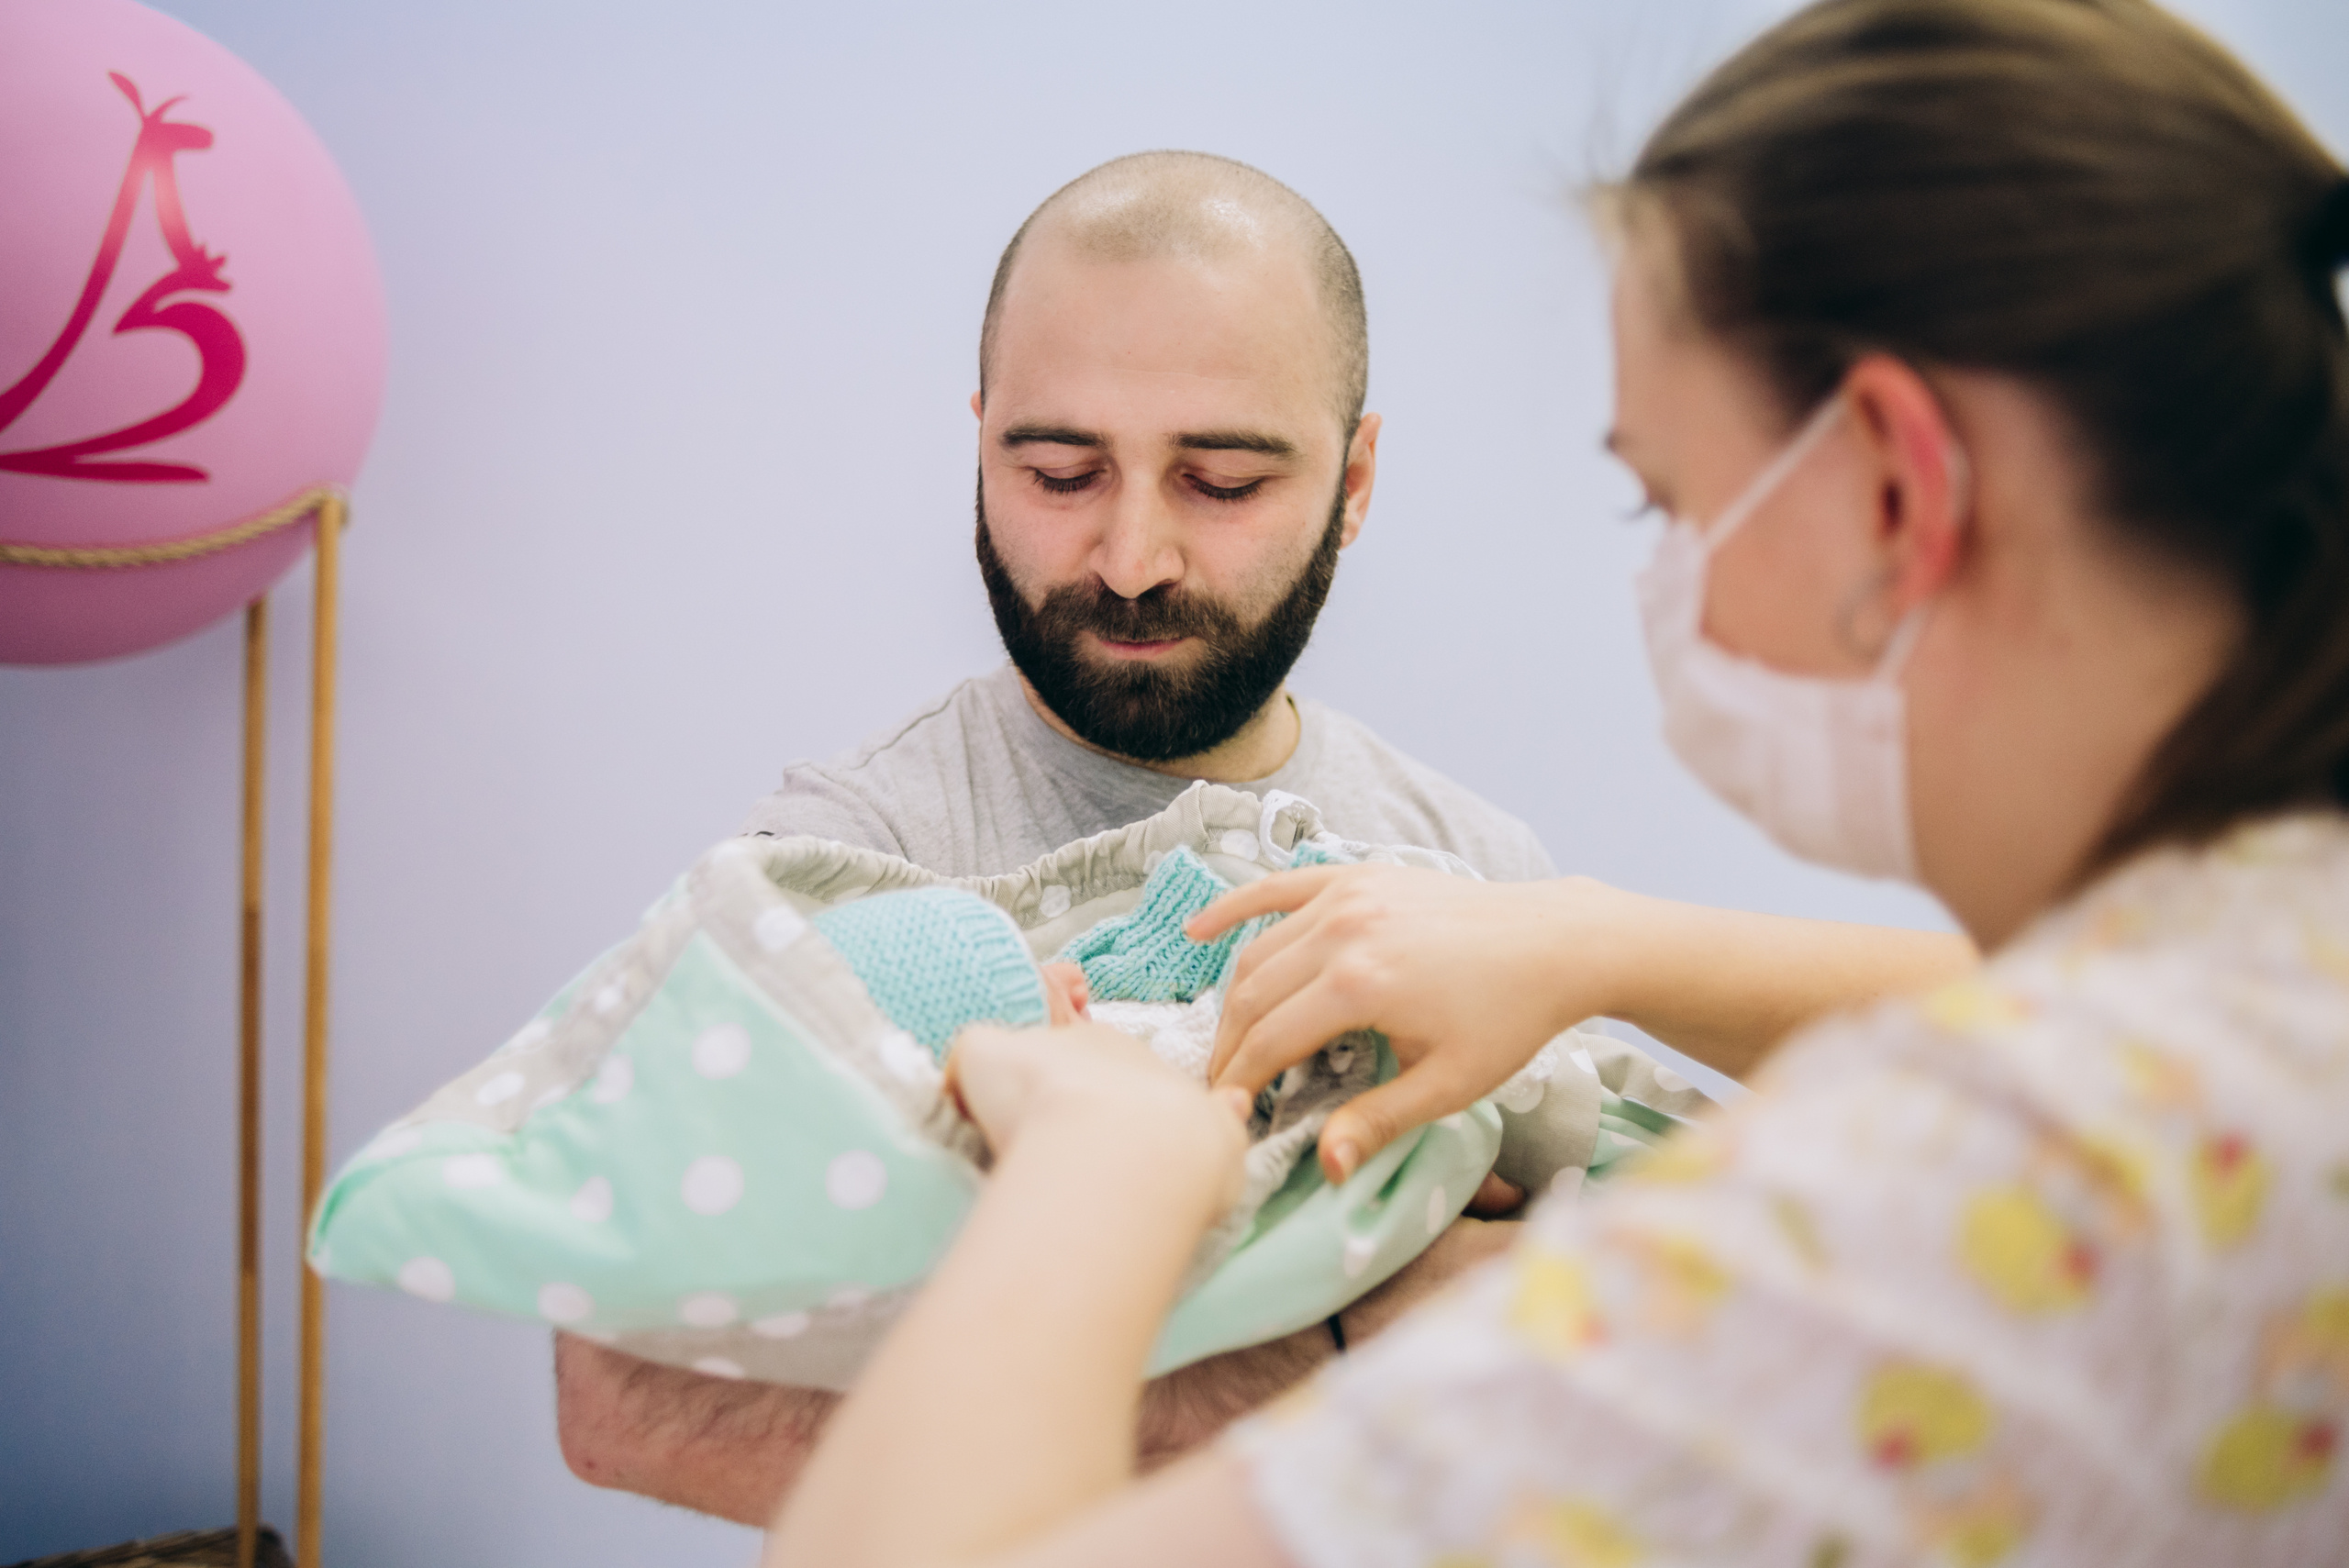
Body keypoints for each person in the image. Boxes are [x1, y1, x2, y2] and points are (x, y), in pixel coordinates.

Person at [754, 1, 2349, 1563]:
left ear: (1893, 487)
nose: (1134, 551)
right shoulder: (2264, 992)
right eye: (1058, 468)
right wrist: (1599, 943)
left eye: (1670, 501)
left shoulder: (1918, 1205)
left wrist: (1107, 1158)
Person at [559, 148, 1969, 1522]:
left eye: (1224, 483)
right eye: (1057, 472)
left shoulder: (1469, 863)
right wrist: (1334, 1369)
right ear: (980, 437)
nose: (1130, 559)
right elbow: (624, 1401)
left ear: (1356, 482)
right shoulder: (852, 864)